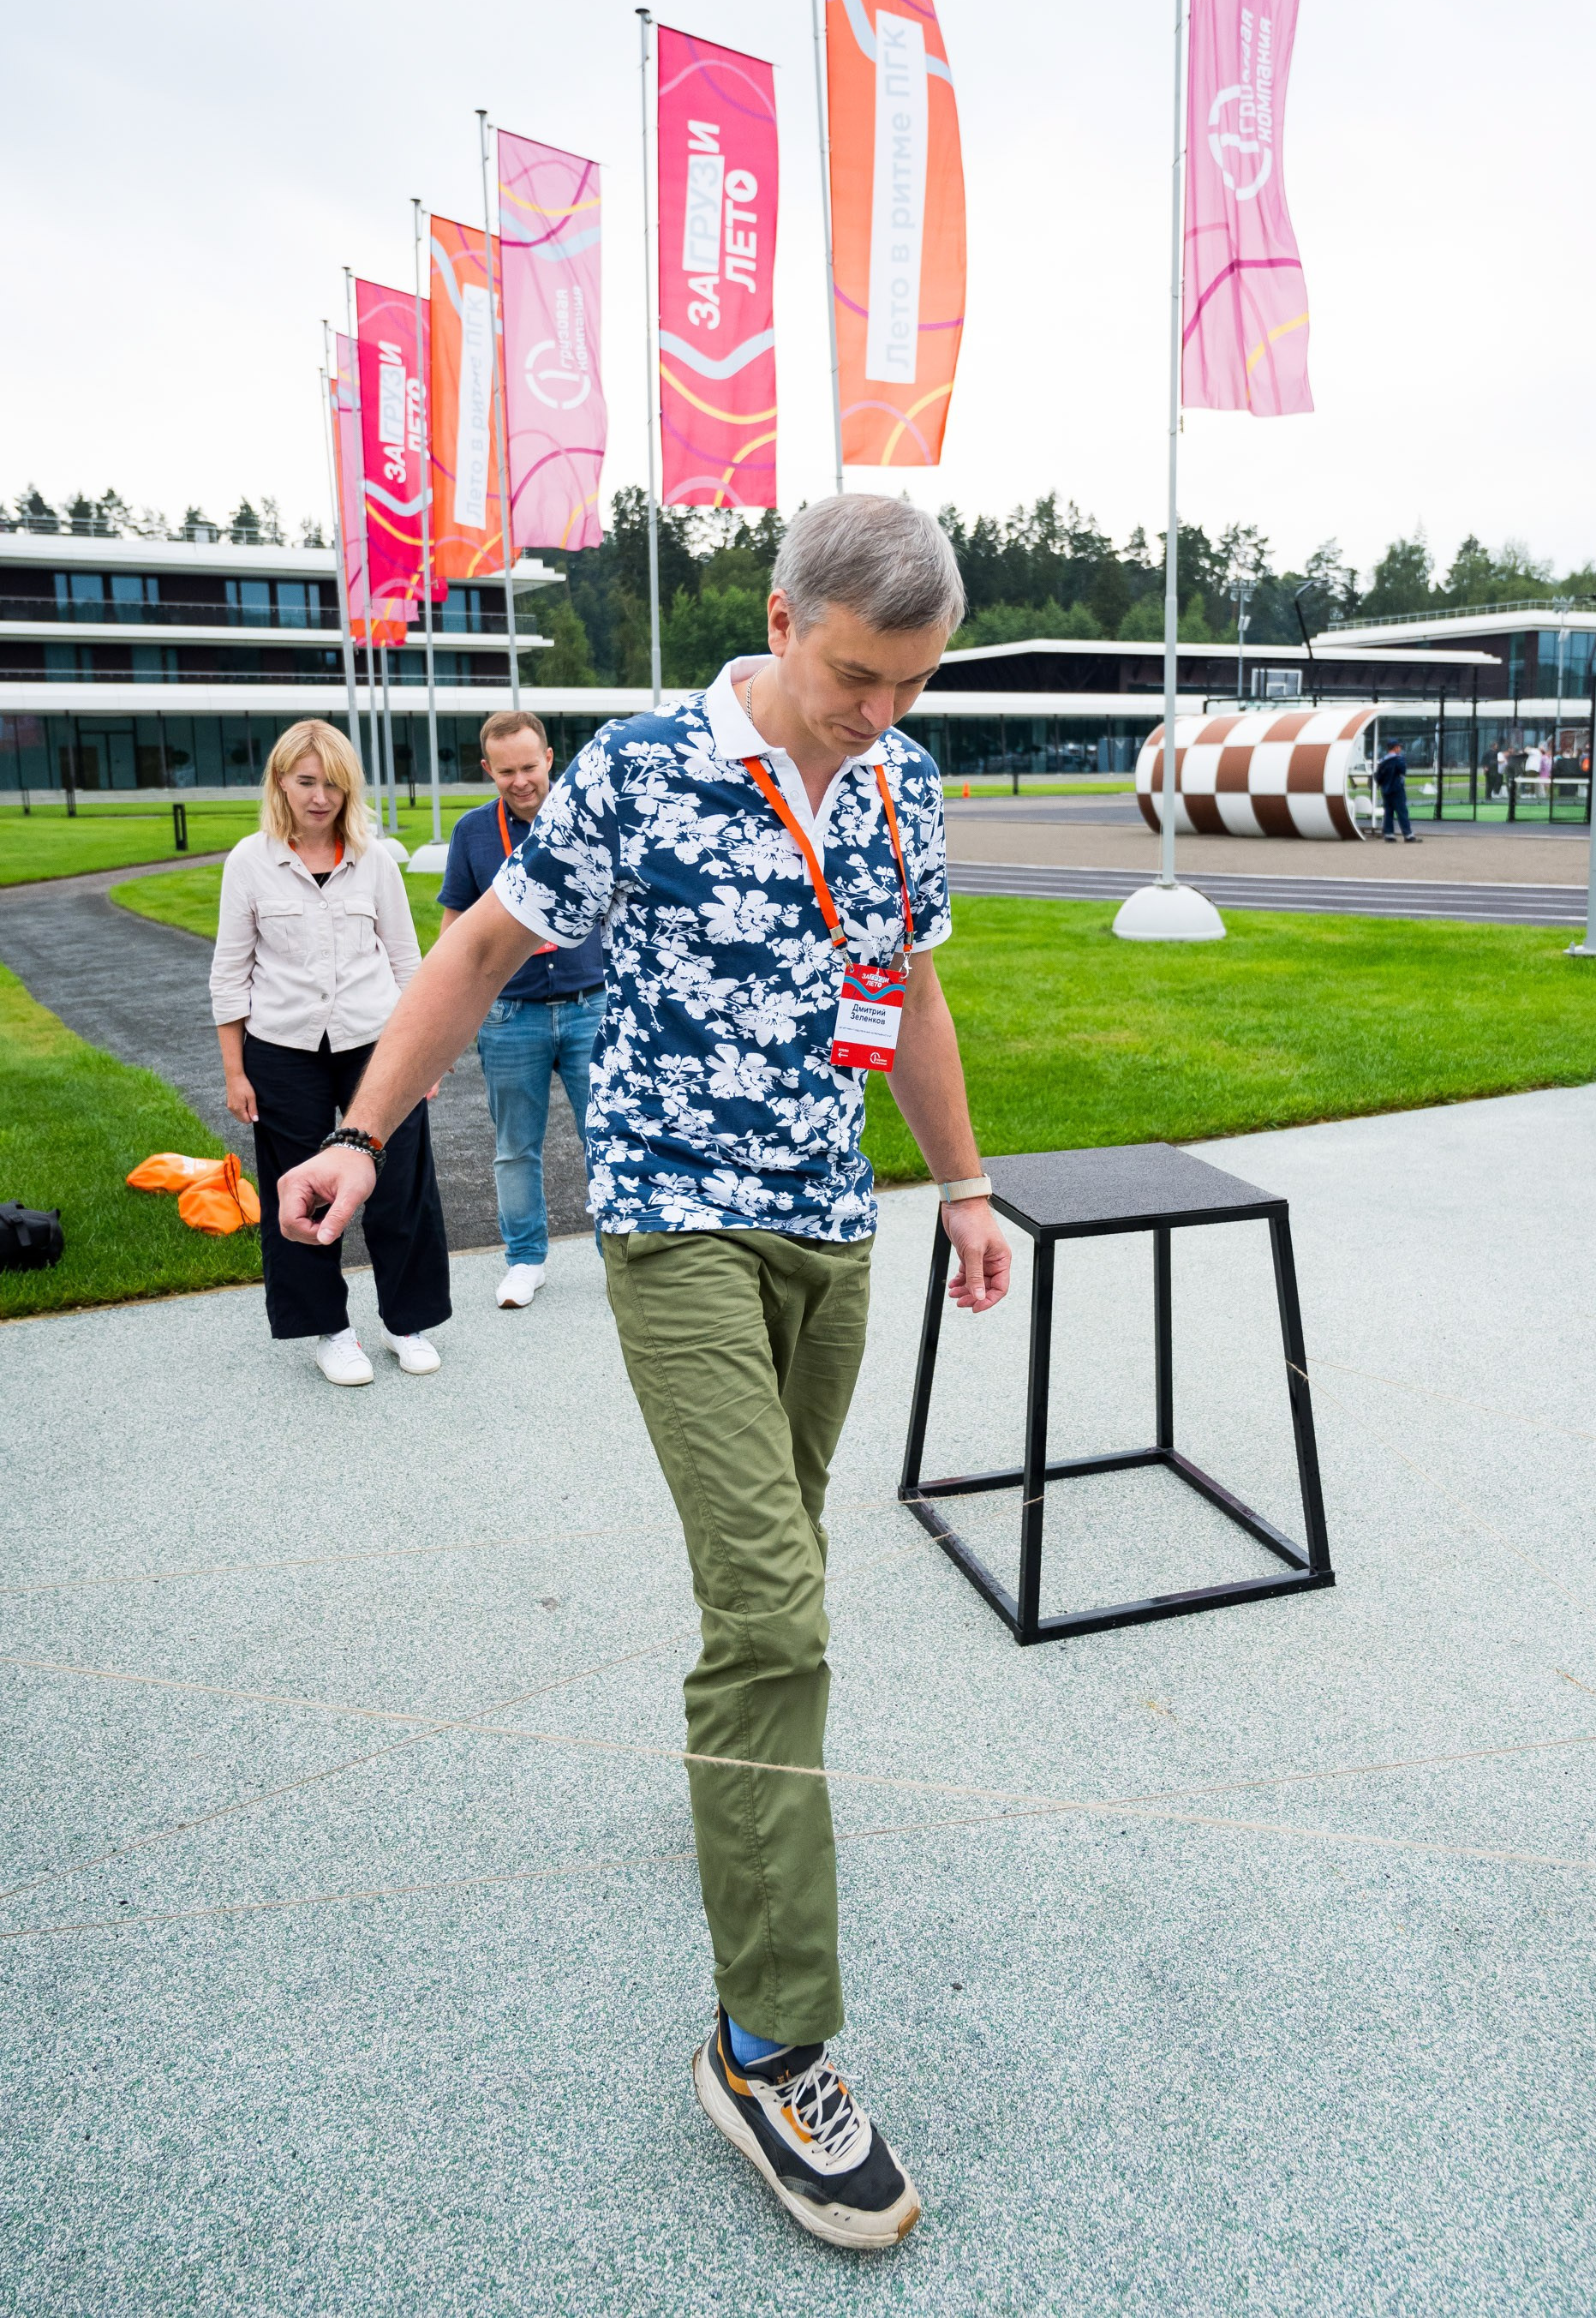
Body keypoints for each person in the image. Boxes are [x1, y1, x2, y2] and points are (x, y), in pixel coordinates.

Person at [275, 494, 1011, 2252]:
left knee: (775, 1583)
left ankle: (730, 1789)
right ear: (776, 617)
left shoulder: (902, 780)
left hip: (831, 1230)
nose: (876, 714)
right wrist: (368, 1136)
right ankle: (769, 2051)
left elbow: (900, 986)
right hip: (677, 1224)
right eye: (852, 676)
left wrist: (964, 1186)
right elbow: (478, 949)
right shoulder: (636, 769)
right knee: (772, 1610)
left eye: (910, 686)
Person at [210, 716, 451, 1387]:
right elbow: (230, 974)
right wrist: (236, 1070)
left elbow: (408, 961)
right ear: (281, 782)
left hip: (376, 1042)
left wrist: (422, 1056)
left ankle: (408, 1321)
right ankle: (330, 1329)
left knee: (399, 1181)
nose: (320, 798)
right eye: (307, 782)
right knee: (302, 1190)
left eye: (334, 786)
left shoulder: (375, 860)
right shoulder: (249, 862)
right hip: (282, 1050)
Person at [438, 709, 606, 1309]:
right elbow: (455, 929)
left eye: (529, 767)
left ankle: (624, 1259)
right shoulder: (474, 833)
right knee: (515, 1146)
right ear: (488, 769)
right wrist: (442, 1024)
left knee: (608, 1137)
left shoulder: (590, 819)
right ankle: (525, 1260)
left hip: (594, 1007)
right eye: (505, 771)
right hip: (512, 1016)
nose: (520, 781)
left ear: (550, 758)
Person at [1374, 740, 1416, 842]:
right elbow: (1403, 771)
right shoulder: (1399, 759)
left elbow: (1378, 776)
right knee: (1402, 812)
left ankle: (1389, 834)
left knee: (1388, 812)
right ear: (1395, 748)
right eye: (1399, 747)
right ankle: (1408, 834)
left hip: (1385, 790)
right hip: (1397, 789)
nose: (1400, 749)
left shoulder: (1383, 761)